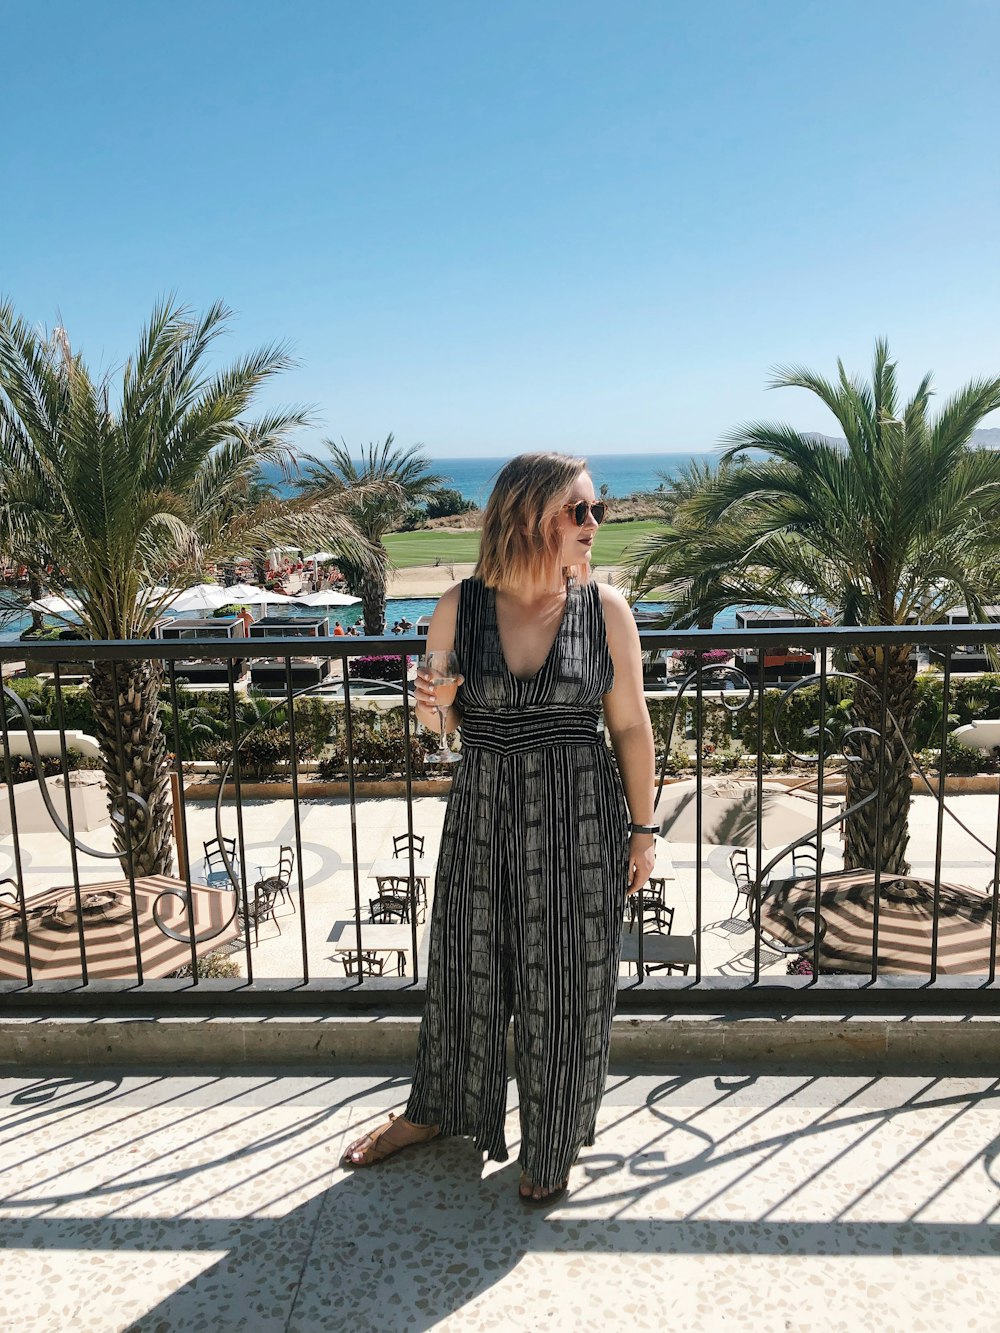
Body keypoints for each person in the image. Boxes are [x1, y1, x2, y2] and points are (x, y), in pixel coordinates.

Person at [341, 452, 657, 1204]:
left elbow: (633, 726)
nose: (592, 526)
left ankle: (550, 1144)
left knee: (566, 983)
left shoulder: (605, 609)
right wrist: (433, 703)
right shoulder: (460, 605)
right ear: (526, 516)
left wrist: (643, 829)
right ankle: (437, 1110)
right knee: (466, 970)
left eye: (596, 511)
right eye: (576, 511)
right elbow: (441, 721)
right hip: (484, 809)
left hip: (580, 813)